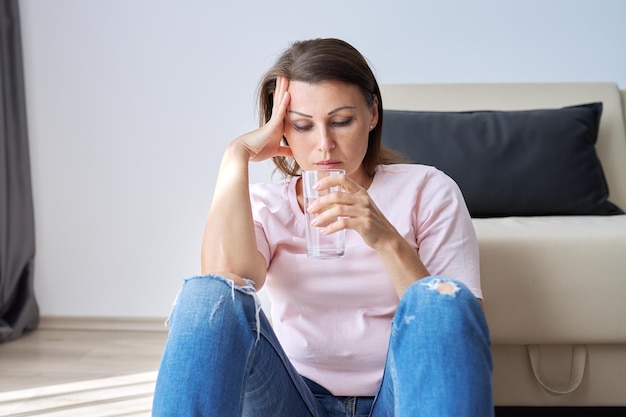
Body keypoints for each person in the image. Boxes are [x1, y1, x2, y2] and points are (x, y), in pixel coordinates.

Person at [152, 38, 493, 417]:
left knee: (442, 300)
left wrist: (384, 238)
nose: (324, 145)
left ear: (373, 113)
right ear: (282, 129)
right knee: (207, 295)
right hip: (291, 399)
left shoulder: (428, 190)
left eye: (341, 121)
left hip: (396, 400)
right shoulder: (267, 204)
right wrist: (237, 156)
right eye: (302, 126)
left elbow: (461, 325)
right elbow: (226, 284)